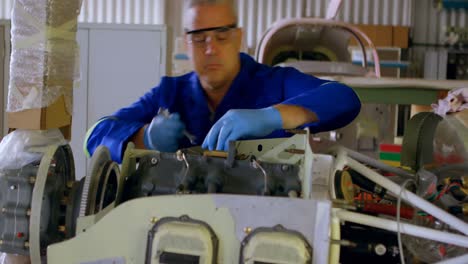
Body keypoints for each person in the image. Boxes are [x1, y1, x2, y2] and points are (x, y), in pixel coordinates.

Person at [84, 0, 361, 163]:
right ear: (186, 43)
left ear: (239, 37)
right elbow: (93, 136)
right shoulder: (169, 93)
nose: (210, 49)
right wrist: (144, 137)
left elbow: (344, 98)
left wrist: (272, 116)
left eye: (221, 36)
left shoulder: (275, 83)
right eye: (199, 38)